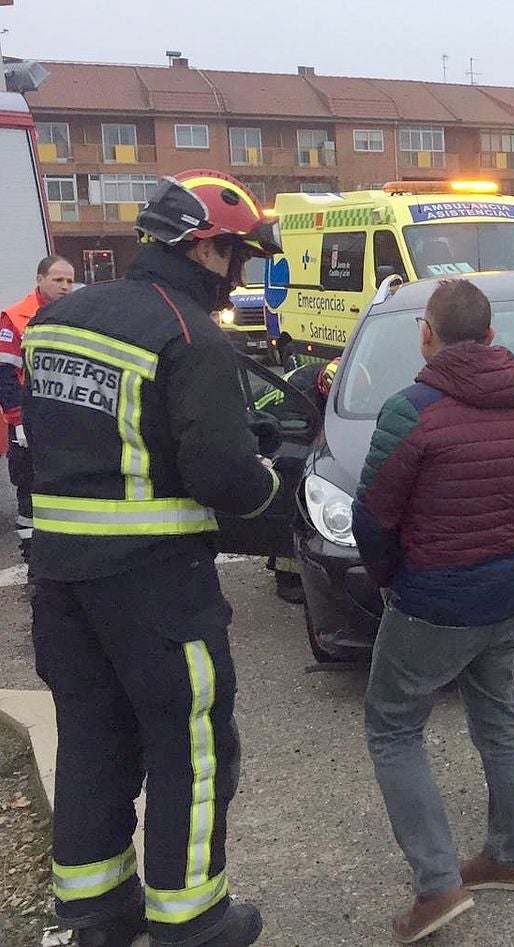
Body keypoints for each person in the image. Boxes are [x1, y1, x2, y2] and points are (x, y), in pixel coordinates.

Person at [23, 170, 281, 946]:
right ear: (207, 249)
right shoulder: (191, 335)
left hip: (61, 580)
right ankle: (191, 918)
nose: (238, 275)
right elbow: (222, 476)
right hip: (156, 586)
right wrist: (274, 486)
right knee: (193, 743)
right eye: (238, 257)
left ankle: (97, 912)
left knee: (94, 740)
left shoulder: (63, 318)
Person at [352, 278, 514, 943]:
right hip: (506, 591)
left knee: (393, 728)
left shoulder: (410, 410)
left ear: (426, 334)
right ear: (492, 337)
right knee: (497, 713)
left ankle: (438, 886)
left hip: (433, 596)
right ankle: (511, 854)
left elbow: (373, 514)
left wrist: (388, 581)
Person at [0, 254, 76, 572]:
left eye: (70, 280)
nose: (65, 286)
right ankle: (34, 561)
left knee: (66, 489)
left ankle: (66, 555)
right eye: (58, 280)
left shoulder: (74, 314)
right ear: (40, 280)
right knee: (30, 493)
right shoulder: (16, 318)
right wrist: (18, 422)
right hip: (28, 424)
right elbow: (4, 372)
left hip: (63, 421)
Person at [254, 358, 338, 603]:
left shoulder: (338, 373)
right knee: (292, 491)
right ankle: (287, 578)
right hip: (269, 426)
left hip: (279, 421)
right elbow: (299, 433)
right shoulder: (304, 396)